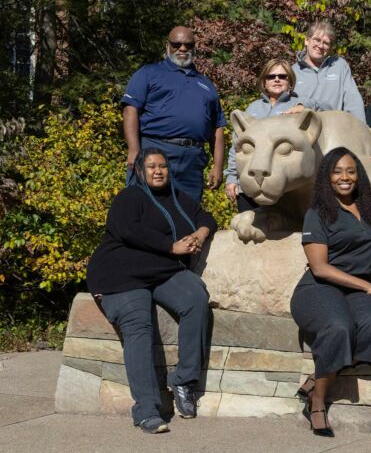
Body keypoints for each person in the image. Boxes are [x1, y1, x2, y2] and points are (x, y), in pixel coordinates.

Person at [87, 148, 217, 434]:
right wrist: (171, 246)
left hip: (163, 271)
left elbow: (206, 217)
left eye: (163, 166)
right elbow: (124, 228)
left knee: (196, 298)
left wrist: (200, 233)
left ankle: (183, 381)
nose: (158, 171)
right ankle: (146, 410)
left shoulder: (178, 198)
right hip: (122, 273)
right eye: (151, 167)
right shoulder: (130, 197)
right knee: (138, 324)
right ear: (140, 171)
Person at [290, 147, 371, 437]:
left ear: (359, 175)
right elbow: (320, 267)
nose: (345, 177)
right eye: (337, 172)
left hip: (359, 290)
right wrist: (368, 287)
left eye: (351, 171)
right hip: (319, 288)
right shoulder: (318, 213)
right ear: (327, 177)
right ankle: (318, 404)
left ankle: (316, 379)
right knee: (339, 328)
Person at [122, 26, 226, 203]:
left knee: (188, 214)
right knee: (146, 208)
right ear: (167, 46)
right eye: (177, 44)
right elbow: (130, 109)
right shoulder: (148, 73)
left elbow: (217, 127)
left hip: (192, 160)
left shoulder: (206, 84)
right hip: (155, 150)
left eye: (188, 44)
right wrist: (133, 150)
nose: (183, 49)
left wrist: (218, 166)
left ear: (194, 47)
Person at [224, 59, 314, 212]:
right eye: (271, 77)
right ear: (264, 82)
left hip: (283, 188)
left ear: (290, 81)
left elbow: (328, 109)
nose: (277, 79)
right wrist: (232, 178)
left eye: (282, 76)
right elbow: (237, 145)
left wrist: (304, 106)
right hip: (250, 183)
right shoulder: (253, 109)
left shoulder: (298, 105)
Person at [292, 21, 366, 122]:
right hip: (302, 130)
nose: (321, 46)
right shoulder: (293, 71)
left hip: (333, 130)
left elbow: (353, 101)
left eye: (326, 43)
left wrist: (361, 130)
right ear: (306, 40)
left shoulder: (339, 66)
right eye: (317, 40)